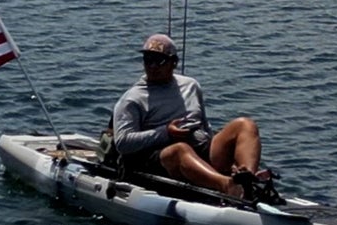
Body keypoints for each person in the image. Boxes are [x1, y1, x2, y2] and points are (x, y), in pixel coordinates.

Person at [111, 33, 273, 201]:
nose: (152, 66)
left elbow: (204, 125)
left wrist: (227, 160)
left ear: (174, 63)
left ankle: (246, 178)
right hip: (160, 157)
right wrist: (166, 132)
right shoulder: (132, 99)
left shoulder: (190, 86)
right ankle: (228, 186)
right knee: (180, 149)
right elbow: (123, 143)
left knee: (244, 124)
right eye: (147, 60)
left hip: (198, 146)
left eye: (158, 61)